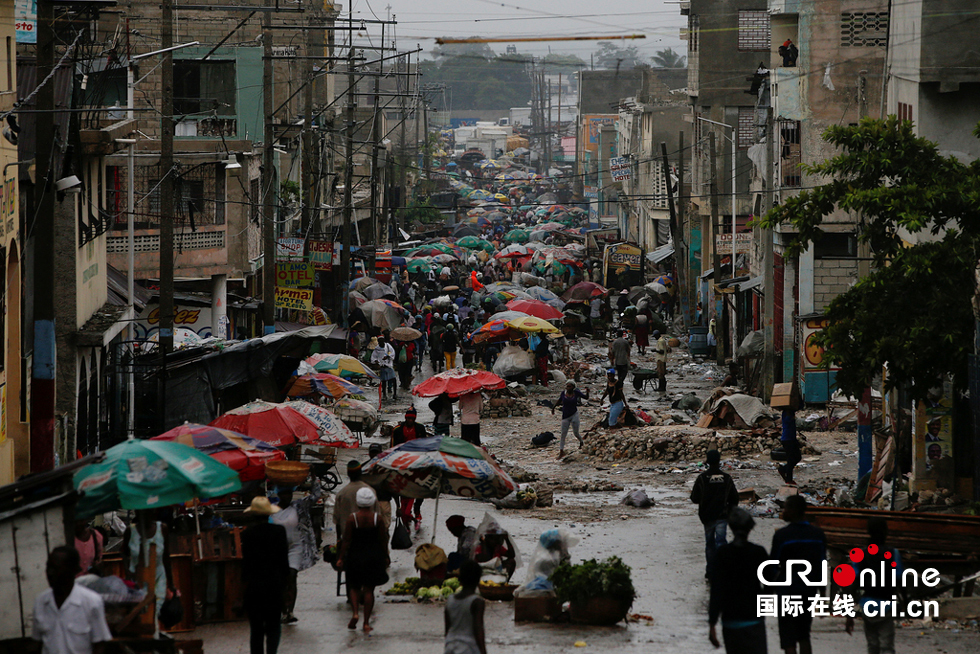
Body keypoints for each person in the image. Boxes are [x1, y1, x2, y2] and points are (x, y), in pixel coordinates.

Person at [770, 495, 827, 654]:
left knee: (788, 638)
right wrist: (822, 593)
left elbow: (773, 566)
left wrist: (769, 589)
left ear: (794, 511)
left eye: (786, 508)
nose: (784, 511)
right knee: (804, 635)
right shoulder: (817, 535)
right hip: (808, 592)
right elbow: (822, 564)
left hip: (787, 592)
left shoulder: (782, 536)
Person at [708, 509, 769, 654]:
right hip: (754, 619)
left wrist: (712, 623)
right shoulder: (759, 553)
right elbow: (770, 584)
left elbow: (716, 590)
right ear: (750, 528)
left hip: (730, 621)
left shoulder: (722, 554)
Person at [32, 546, 112, 654]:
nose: (50, 573)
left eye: (57, 568)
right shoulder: (41, 602)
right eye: (48, 567)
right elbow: (37, 643)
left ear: (73, 571)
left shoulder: (91, 602)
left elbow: (100, 643)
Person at [337, 487, 390, 634]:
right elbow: (383, 539)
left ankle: (355, 613)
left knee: (354, 587)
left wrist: (341, 558)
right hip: (373, 556)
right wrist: (386, 556)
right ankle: (366, 623)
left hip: (355, 556)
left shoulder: (352, 518)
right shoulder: (377, 519)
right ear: (372, 502)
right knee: (368, 589)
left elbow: (346, 540)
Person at [845, 517, 901, 654]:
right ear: (886, 532)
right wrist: (903, 602)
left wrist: (849, 614)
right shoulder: (893, 553)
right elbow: (899, 580)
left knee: (872, 644)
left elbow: (853, 584)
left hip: (867, 604)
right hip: (886, 603)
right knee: (887, 645)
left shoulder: (861, 554)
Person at [242, 497, 290, 654]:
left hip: (254, 586)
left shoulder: (247, 534)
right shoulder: (279, 532)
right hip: (274, 586)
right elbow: (284, 561)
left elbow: (246, 564)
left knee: (256, 628)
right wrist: (286, 586)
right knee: (273, 626)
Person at [271, 480, 322, 623]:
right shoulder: (271, 509)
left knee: (292, 576)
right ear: (279, 494)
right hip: (278, 550)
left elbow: (315, 495)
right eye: (284, 494)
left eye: (289, 493)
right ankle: (282, 611)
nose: (286, 497)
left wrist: (313, 477)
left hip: (296, 547)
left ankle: (290, 611)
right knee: (281, 580)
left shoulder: (298, 507)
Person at [690, 450, 740, 578]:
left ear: (707, 461)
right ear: (719, 461)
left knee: (710, 544)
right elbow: (734, 499)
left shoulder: (702, 478)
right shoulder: (726, 478)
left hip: (707, 517)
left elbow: (694, 498)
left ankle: (710, 571)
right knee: (721, 541)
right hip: (722, 516)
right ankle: (723, 570)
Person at [121, 511, 173, 615]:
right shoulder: (130, 531)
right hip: (137, 580)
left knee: (156, 612)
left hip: (158, 579)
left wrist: (171, 584)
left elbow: (166, 556)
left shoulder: (162, 529)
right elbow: (123, 552)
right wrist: (127, 572)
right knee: (140, 613)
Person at [444, 560, 488, 654]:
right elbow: (478, 630)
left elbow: (447, 629)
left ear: (460, 579)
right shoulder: (477, 602)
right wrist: (483, 651)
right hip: (468, 648)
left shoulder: (450, 600)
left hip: (450, 646)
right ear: (478, 580)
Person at [333, 460, 371, 541]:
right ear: (361, 473)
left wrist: (338, 540)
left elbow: (337, 521)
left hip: (348, 538)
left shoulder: (341, 494)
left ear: (348, 474)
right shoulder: (370, 491)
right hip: (367, 538)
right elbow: (377, 518)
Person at [551, 381, 589, 459]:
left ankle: (581, 442)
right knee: (563, 434)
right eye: (567, 386)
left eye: (570, 386)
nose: (568, 388)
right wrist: (553, 408)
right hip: (565, 416)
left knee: (576, 433)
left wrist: (587, 392)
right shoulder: (563, 393)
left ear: (573, 387)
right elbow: (559, 400)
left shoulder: (576, 393)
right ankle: (561, 451)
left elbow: (586, 397)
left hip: (574, 414)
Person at [778, 404, 802, 485]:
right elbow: (788, 421)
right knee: (791, 459)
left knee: (797, 457)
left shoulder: (791, 412)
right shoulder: (786, 413)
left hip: (792, 438)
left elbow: (800, 406)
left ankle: (784, 469)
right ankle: (789, 479)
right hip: (787, 439)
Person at [372, 336, 397, 400]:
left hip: (389, 366)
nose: (381, 343)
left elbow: (392, 353)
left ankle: (395, 394)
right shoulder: (377, 348)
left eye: (381, 342)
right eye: (379, 342)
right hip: (382, 366)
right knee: (384, 381)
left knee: (393, 379)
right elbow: (373, 356)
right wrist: (376, 361)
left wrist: (388, 357)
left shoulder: (388, 346)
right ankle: (384, 395)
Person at [653, 330, 672, 400]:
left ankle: (661, 387)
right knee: (662, 373)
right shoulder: (662, 340)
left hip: (660, 359)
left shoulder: (660, 341)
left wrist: (655, 350)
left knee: (660, 373)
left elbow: (661, 351)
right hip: (663, 359)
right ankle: (662, 387)